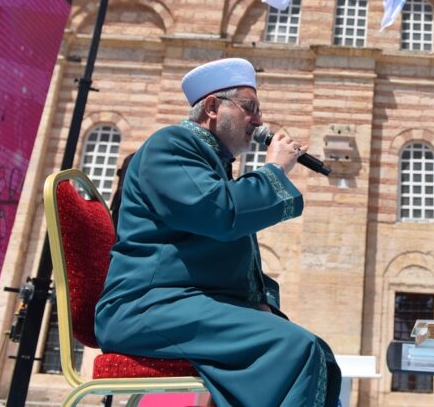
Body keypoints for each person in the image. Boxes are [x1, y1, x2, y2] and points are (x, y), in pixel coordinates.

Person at [95, 57, 341, 407]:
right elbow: (221, 215)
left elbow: (234, 246)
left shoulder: (211, 162)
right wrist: (273, 170)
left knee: (318, 352)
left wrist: (261, 302)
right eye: (249, 108)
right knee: (293, 349)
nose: (258, 121)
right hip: (146, 306)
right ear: (212, 107)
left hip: (181, 304)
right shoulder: (171, 145)